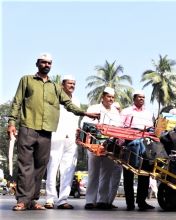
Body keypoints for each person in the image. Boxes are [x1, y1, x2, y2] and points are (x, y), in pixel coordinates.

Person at [7, 53, 99, 211]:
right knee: (25, 165)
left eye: (49, 63)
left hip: (46, 131)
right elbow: (17, 101)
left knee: (40, 166)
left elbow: (68, 104)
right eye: (43, 62)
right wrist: (11, 122)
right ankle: (22, 200)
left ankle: (33, 200)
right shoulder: (26, 80)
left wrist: (85, 113)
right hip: (28, 127)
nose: (46, 65)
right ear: (37, 64)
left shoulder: (55, 87)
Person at [82, 87, 122, 210]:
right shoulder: (93, 108)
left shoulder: (115, 111)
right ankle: (90, 200)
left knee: (107, 173)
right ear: (103, 97)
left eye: (112, 97)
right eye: (108, 96)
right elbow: (85, 124)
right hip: (95, 144)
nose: (111, 99)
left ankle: (102, 200)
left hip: (110, 145)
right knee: (93, 173)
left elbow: (119, 128)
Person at [44, 74, 80, 209]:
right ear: (62, 85)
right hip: (56, 136)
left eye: (74, 84)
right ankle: (50, 199)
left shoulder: (76, 100)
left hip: (71, 139)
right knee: (53, 167)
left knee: (68, 169)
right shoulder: (55, 99)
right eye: (69, 83)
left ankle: (63, 199)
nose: (72, 86)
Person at [120, 90, 155, 211]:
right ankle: (130, 203)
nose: (142, 99)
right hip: (130, 143)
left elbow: (151, 129)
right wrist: (121, 144)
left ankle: (142, 201)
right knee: (128, 173)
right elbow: (120, 128)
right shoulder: (126, 111)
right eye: (139, 97)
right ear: (134, 98)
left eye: (143, 97)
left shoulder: (148, 113)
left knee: (145, 173)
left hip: (145, 143)